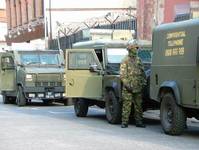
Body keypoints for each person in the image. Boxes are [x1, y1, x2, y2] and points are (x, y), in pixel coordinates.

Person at [120, 40, 146, 128]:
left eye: (137, 48)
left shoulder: (139, 60)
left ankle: (139, 122)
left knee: (138, 106)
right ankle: (124, 122)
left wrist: (143, 83)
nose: (137, 49)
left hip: (138, 87)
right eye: (135, 48)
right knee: (127, 106)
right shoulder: (125, 60)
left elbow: (142, 73)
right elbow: (123, 75)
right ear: (130, 48)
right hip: (128, 88)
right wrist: (128, 86)